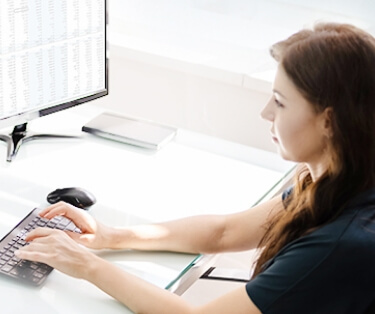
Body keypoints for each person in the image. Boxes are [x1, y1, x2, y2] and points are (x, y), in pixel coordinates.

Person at [15, 22, 375, 313]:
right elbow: (224, 232)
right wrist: (113, 237)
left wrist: (88, 266)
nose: (265, 113)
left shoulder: (340, 247)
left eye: (280, 102)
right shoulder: (335, 179)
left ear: (329, 121)